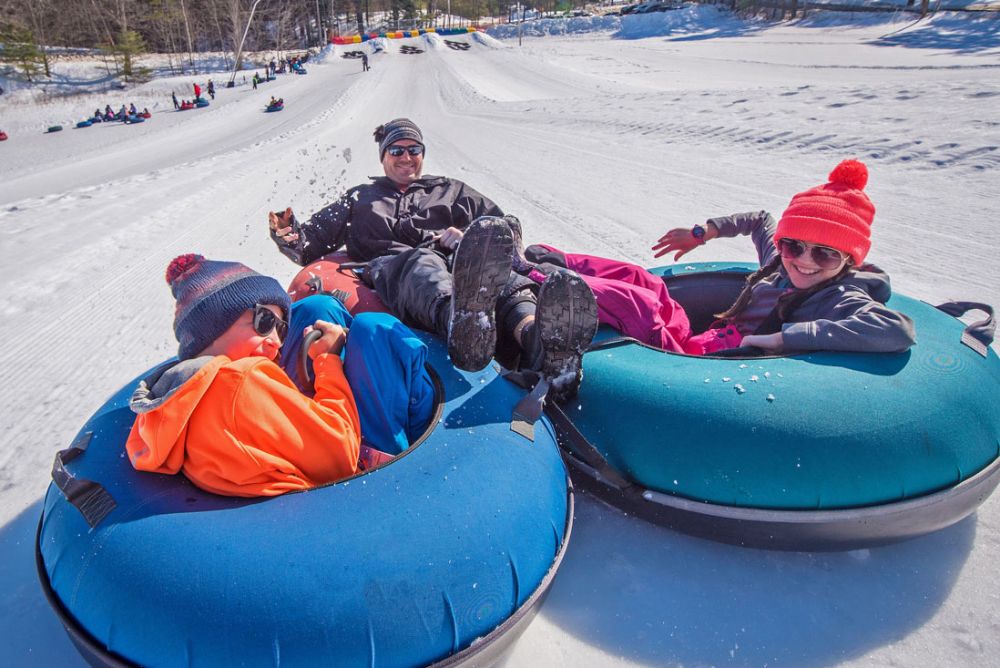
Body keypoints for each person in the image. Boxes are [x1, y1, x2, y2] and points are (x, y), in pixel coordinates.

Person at [268, 118, 598, 401]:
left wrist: (469, 235)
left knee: (501, 278)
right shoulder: (361, 198)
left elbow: (502, 227)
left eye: (414, 150)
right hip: (396, 266)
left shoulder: (450, 190)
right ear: (383, 156)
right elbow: (308, 244)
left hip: (462, 263)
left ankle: (539, 344)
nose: (406, 157)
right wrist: (287, 232)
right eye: (397, 150)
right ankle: (461, 325)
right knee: (422, 264)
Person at [513, 159, 915, 356]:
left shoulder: (837, 296)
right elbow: (760, 220)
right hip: (702, 337)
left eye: (825, 254)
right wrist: (702, 233)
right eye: (795, 245)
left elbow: (895, 329)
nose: (804, 261)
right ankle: (555, 259)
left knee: (640, 306)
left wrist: (780, 339)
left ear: (848, 260)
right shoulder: (781, 261)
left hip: (700, 361)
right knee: (645, 280)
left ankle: (529, 275)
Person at [126, 254, 435, 498]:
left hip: (269, 469)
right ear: (214, 327)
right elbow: (340, 455)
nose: (275, 340)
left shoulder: (187, 387)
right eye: (264, 320)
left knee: (318, 306)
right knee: (375, 330)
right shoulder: (243, 380)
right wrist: (327, 361)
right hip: (356, 478)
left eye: (281, 328)